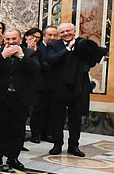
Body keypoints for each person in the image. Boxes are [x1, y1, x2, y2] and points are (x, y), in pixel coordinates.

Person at [43, 22, 107, 156]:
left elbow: (94, 57)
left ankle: (74, 146)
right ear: (59, 34)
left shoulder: (82, 44)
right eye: (63, 32)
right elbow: (50, 60)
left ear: (74, 31)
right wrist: (67, 50)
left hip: (77, 87)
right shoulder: (53, 45)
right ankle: (57, 145)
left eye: (68, 31)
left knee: (76, 119)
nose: (66, 34)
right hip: (58, 88)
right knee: (57, 118)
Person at [0, 28, 37, 170]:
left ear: (20, 39)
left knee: (17, 130)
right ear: (4, 40)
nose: (11, 42)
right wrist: (3, 56)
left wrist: (22, 56)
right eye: (8, 39)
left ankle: (13, 158)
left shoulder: (29, 54)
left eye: (14, 39)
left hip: (19, 99)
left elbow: (36, 69)